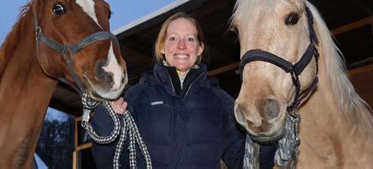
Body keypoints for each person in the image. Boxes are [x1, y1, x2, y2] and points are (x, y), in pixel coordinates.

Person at [90, 12, 275, 168]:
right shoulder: (138, 95)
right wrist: (106, 121)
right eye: (173, 38)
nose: (181, 46)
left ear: (200, 48)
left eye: (190, 39)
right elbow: (110, 163)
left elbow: (247, 163)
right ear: (162, 47)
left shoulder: (219, 100)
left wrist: (266, 134)